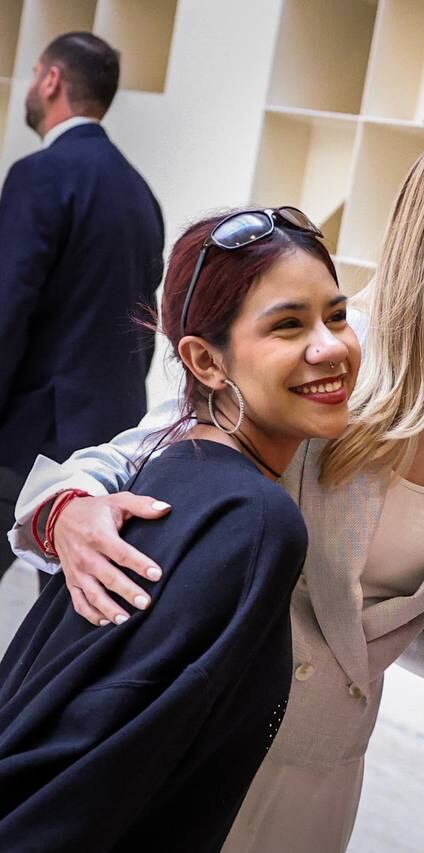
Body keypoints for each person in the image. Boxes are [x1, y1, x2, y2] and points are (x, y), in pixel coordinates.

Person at [7, 125, 424, 851]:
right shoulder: (331, 352)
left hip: (326, 768)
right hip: (203, 745)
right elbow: (153, 454)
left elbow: (371, 617)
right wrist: (69, 510)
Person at [0, 206, 357, 849]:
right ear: (206, 361)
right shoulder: (255, 522)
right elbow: (97, 772)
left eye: (337, 316)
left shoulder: (170, 466)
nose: (329, 345)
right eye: (288, 325)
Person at [0, 32, 163, 583]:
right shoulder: (141, 194)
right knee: (66, 621)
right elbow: (144, 326)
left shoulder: (38, 175)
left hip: (25, 436)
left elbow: (6, 309)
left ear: (51, 81)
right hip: (107, 445)